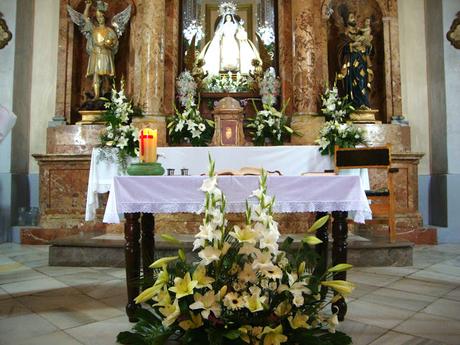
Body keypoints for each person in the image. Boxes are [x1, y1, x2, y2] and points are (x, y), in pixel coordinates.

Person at [199, 11, 261, 76]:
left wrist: (241, 27)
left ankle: (234, 67)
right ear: (225, 18)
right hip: (225, 41)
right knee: (224, 53)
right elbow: (219, 33)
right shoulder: (223, 25)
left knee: (234, 53)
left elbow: (240, 32)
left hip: (233, 40)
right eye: (227, 17)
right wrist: (217, 36)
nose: (228, 18)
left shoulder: (235, 25)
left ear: (231, 18)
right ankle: (224, 68)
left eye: (229, 17)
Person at [337, 13, 373, 109]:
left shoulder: (360, 33)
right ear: (347, 20)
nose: (354, 20)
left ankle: (364, 103)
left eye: (354, 18)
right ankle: (354, 104)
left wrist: (368, 45)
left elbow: (368, 48)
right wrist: (352, 45)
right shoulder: (344, 34)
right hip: (351, 62)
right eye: (351, 17)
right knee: (353, 82)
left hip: (362, 60)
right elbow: (340, 49)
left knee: (362, 81)